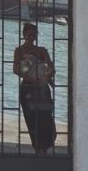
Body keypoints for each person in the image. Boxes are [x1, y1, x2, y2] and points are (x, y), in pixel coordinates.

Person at [12, 23, 56, 153]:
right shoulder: (19, 51)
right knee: (31, 118)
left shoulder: (42, 50)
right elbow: (15, 70)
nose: (31, 37)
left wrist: (44, 79)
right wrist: (32, 80)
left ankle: (46, 145)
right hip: (27, 89)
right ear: (24, 35)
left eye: (33, 35)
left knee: (45, 116)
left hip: (42, 89)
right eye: (29, 35)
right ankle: (37, 146)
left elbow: (52, 69)